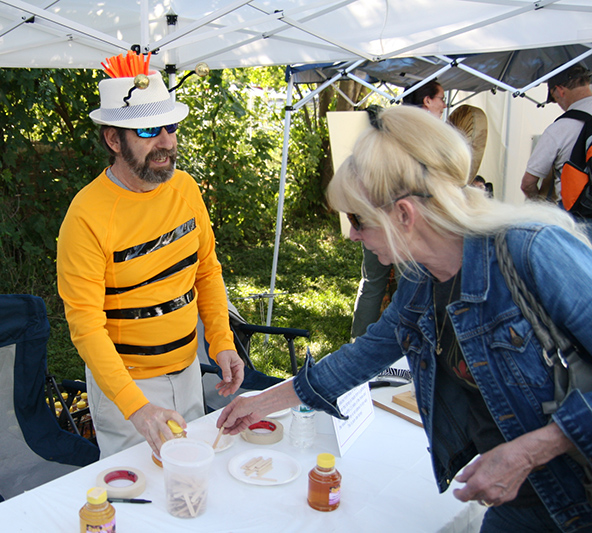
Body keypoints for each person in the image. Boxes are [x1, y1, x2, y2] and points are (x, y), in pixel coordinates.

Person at [218, 105, 592, 533]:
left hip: (578, 492)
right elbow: (362, 356)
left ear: (404, 215)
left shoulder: (535, 253)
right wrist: (258, 403)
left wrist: (528, 451)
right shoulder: (420, 280)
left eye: (358, 220)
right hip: (525, 502)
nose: (353, 234)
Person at [57, 61, 244, 458]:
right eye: (147, 131)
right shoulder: (86, 216)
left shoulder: (186, 188)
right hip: (128, 389)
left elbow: (207, 271)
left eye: (170, 128)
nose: (165, 142)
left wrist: (221, 341)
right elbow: (86, 327)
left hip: (189, 370)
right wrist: (136, 407)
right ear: (113, 139)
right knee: (141, 502)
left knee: (191, 482)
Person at [351, 83, 446, 338]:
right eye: (441, 99)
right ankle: (399, 345)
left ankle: (360, 341)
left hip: (373, 214)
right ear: (426, 101)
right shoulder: (419, 132)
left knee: (373, 282)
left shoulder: (385, 125)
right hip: (402, 219)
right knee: (409, 285)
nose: (443, 105)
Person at [521, 65, 592, 202]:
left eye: (555, 99)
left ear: (560, 90)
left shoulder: (559, 128)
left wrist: (542, 208)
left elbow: (528, 184)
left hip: (576, 216)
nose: (559, 105)